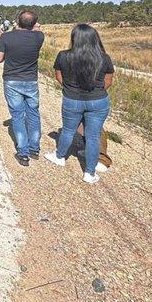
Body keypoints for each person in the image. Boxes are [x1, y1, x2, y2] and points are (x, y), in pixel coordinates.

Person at [45, 24, 115, 184]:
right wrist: (96, 91)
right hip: (98, 101)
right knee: (93, 136)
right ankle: (89, 173)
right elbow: (108, 81)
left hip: (72, 99)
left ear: (74, 38)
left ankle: (60, 157)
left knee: (68, 130)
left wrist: (70, 88)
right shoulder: (104, 58)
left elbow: (58, 76)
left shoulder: (63, 56)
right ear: (95, 38)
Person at [0, 11, 44, 166]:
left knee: (17, 116)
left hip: (12, 80)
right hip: (31, 81)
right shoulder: (39, 37)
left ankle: (23, 153)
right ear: (34, 24)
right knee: (33, 114)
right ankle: (34, 149)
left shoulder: (6, 37)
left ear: (17, 21)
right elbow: (37, 29)